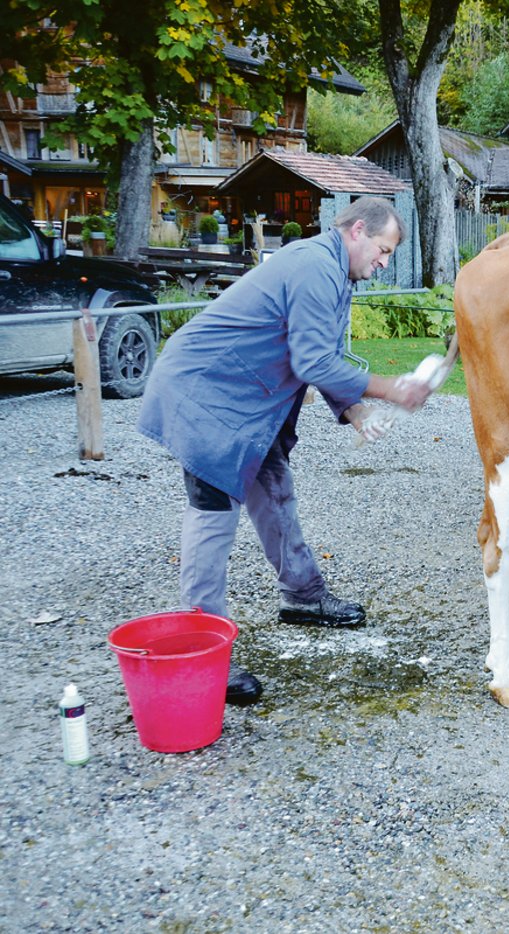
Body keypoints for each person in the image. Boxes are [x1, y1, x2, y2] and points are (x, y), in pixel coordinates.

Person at [138, 197, 435, 705]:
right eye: (384, 249)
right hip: (208, 395)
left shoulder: (335, 273)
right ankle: (204, 650)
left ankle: (303, 595)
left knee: (274, 489)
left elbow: (324, 353)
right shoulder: (313, 267)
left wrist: (354, 410)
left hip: (253, 403)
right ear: (357, 230)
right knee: (212, 520)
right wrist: (390, 388)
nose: (385, 262)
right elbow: (314, 359)